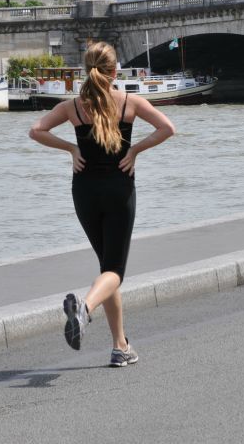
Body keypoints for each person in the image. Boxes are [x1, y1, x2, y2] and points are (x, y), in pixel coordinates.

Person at [28, 42, 175, 367]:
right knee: (114, 271)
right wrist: (134, 151)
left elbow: (36, 131)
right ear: (114, 70)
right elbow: (167, 128)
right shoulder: (130, 102)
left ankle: (120, 346)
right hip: (119, 190)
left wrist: (71, 148)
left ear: (87, 69)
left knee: (106, 268)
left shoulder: (73, 107)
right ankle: (85, 308)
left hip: (84, 192)